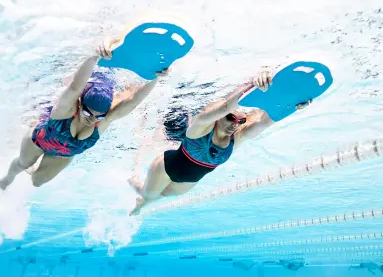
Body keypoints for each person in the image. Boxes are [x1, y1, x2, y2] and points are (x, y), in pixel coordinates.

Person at [128, 70, 311, 215]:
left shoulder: (238, 137)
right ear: (220, 116)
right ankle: (135, 185)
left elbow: (265, 121)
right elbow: (225, 106)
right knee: (148, 195)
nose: (235, 124)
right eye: (231, 118)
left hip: (186, 184)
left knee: (163, 194)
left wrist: (292, 105)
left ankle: (143, 198)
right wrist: (252, 84)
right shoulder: (200, 129)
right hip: (166, 168)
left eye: (241, 121)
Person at [0, 40, 168, 190]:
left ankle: (41, 164)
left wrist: (155, 78)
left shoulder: (104, 119)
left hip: (62, 155)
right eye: (88, 112)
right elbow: (75, 86)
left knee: (37, 181)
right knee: (23, 164)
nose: (92, 119)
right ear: (80, 104)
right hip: (39, 140)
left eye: (99, 116)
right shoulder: (65, 111)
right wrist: (94, 57)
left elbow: (133, 100)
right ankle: (8, 179)